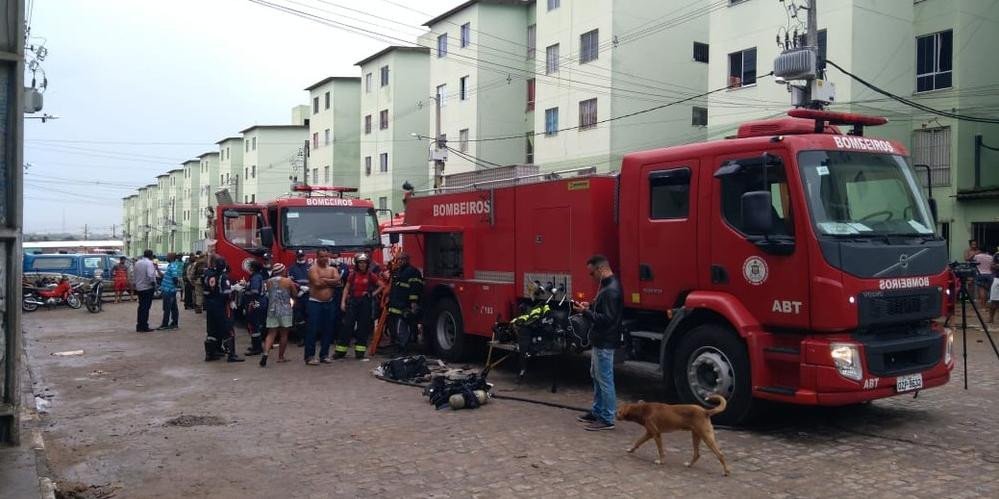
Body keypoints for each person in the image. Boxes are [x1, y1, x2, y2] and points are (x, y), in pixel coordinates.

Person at [573, 254, 623, 432]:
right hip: (601, 340)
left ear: (601, 269)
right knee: (596, 375)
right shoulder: (608, 286)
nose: (591, 277)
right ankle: (597, 411)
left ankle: (607, 417)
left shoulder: (611, 290)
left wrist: (586, 312)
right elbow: (604, 311)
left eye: (592, 273)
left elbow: (607, 319)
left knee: (605, 379)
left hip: (605, 340)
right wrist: (591, 306)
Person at [336, 253, 384, 359]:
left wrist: (371, 294)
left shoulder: (371, 275)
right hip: (353, 302)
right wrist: (343, 302)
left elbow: (381, 285)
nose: (362, 265)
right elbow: (346, 288)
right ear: (357, 264)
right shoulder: (352, 275)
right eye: (360, 263)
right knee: (347, 325)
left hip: (365, 303)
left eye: (364, 263)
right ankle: (340, 351)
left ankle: (360, 351)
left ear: (367, 264)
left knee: (363, 327)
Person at [203, 256, 244, 362]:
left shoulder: (209, 275)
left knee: (212, 331)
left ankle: (210, 354)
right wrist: (233, 289)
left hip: (210, 306)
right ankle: (231, 355)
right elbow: (225, 292)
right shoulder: (224, 277)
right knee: (228, 329)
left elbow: (206, 292)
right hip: (221, 306)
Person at [305, 249, 341, 365]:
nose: (324, 258)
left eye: (326, 256)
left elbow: (338, 281)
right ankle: (309, 356)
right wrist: (331, 282)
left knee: (328, 329)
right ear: (317, 257)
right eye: (321, 256)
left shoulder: (332, 269)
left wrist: (324, 280)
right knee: (312, 330)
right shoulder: (313, 269)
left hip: (329, 303)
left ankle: (324, 354)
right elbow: (317, 284)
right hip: (315, 302)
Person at [260, 263, 297, 367]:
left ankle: (265, 353)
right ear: (282, 271)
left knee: (271, 333)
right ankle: (281, 357)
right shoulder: (288, 281)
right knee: (284, 334)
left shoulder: (269, 282)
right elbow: (294, 293)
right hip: (285, 310)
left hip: (272, 310)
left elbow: (266, 293)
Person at [386, 252, 423, 352]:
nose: (400, 261)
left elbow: (415, 288)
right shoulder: (398, 272)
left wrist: (413, 303)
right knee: (395, 329)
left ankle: (406, 347)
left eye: (402, 259)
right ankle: (399, 347)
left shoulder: (412, 271)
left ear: (407, 260)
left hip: (405, 306)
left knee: (403, 329)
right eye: (398, 259)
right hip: (395, 306)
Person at [244, 260, 268, 356]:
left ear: (253, 268)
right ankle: (256, 345)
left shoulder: (255, 278)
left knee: (254, 324)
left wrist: (245, 292)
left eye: (250, 267)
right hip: (258, 302)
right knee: (255, 324)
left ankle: (257, 348)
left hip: (256, 302)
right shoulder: (257, 277)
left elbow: (255, 292)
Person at [133, 249, 160, 333]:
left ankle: (139, 325)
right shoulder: (149, 263)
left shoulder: (137, 263)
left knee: (141, 307)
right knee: (146, 307)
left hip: (139, 287)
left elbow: (134, 275)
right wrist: (154, 286)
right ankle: (144, 326)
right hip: (147, 288)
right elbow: (151, 275)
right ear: (151, 255)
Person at [158, 252, 183, 330]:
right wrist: (157, 269)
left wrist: (174, 287)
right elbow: (165, 276)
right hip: (169, 290)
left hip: (169, 290)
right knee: (173, 307)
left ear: (171, 257)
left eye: (167, 256)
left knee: (167, 308)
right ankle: (174, 323)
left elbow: (175, 278)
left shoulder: (172, 266)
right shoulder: (171, 265)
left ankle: (165, 324)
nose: (166, 257)